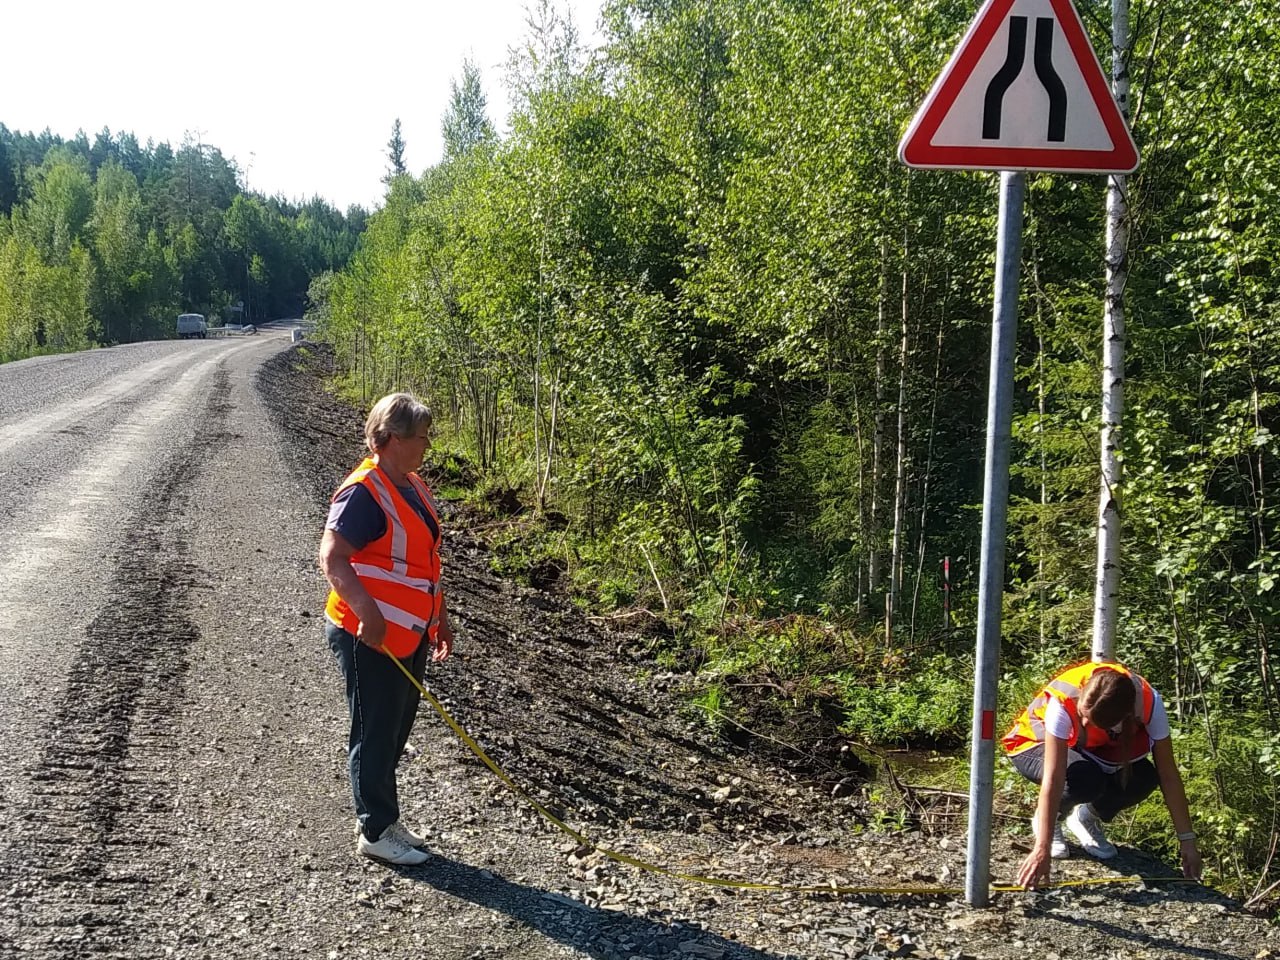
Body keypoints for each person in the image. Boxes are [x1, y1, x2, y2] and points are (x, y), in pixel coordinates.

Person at [319, 392, 454, 866]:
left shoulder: (412, 485)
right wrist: (368, 614)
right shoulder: (364, 491)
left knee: (395, 729)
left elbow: (424, 560)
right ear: (391, 439)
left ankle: (385, 816)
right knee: (373, 730)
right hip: (368, 633)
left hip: (410, 630)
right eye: (421, 437)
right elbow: (333, 558)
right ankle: (374, 830)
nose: (427, 445)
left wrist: (440, 616)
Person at [1002, 660, 1202, 889]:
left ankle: (1085, 817)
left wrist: (1187, 842)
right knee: (1084, 779)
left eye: (1093, 721)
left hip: (1090, 752)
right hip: (1031, 745)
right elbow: (1054, 777)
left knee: (1144, 777)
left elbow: (1169, 774)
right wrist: (1042, 848)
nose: (1084, 723)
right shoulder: (1063, 699)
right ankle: (1050, 818)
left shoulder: (1148, 703)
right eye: (1083, 715)